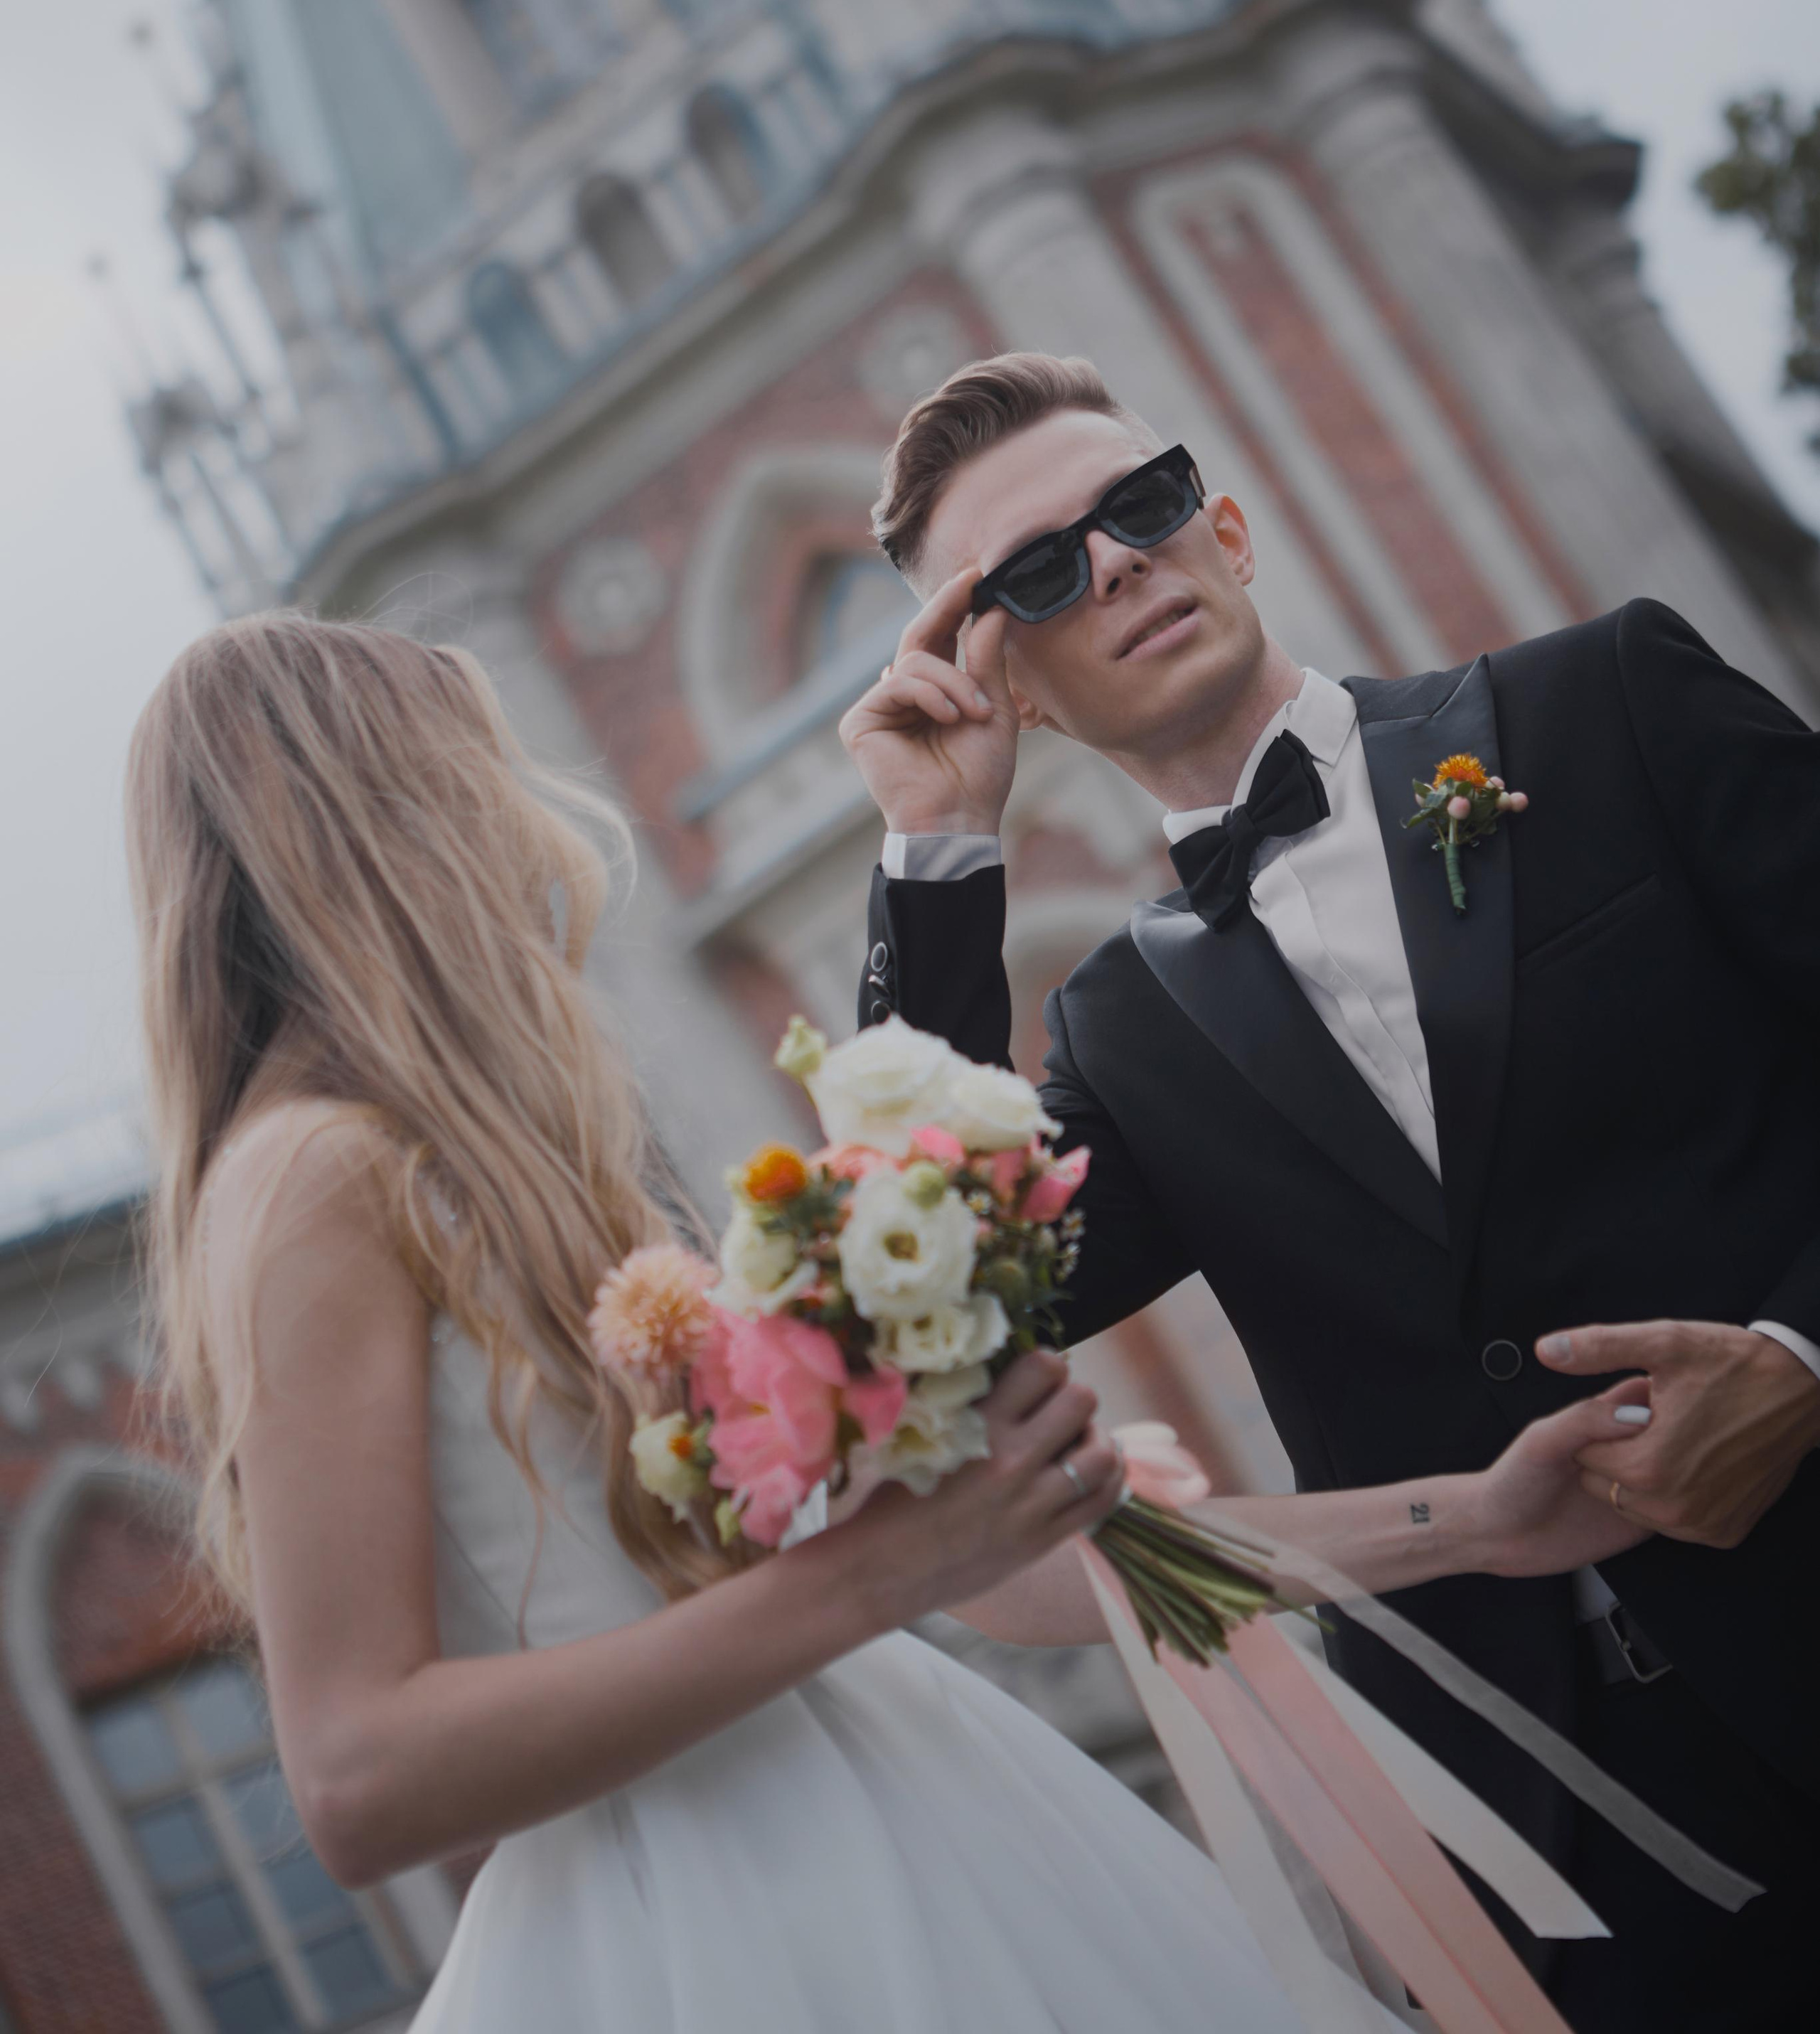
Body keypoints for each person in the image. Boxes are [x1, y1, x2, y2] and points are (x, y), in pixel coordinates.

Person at [132, 614, 1652, 2034]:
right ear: (373, 821)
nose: (523, 831)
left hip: (918, 1799)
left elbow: (1011, 1567)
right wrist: (878, 1574)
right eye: (471, 782)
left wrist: (1473, 1519)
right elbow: (357, 1771)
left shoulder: (500, 1172)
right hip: (707, 1927)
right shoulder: (308, 1178)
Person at [840, 350, 1820, 2034]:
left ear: (1219, 521)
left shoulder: (1607, 702)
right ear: (1019, 691)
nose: (1120, 561)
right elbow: (922, 1332)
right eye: (1036, 573)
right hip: (1578, 1842)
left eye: (1137, 508)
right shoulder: (1117, 1036)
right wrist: (936, 849)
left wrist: (1803, 1358)